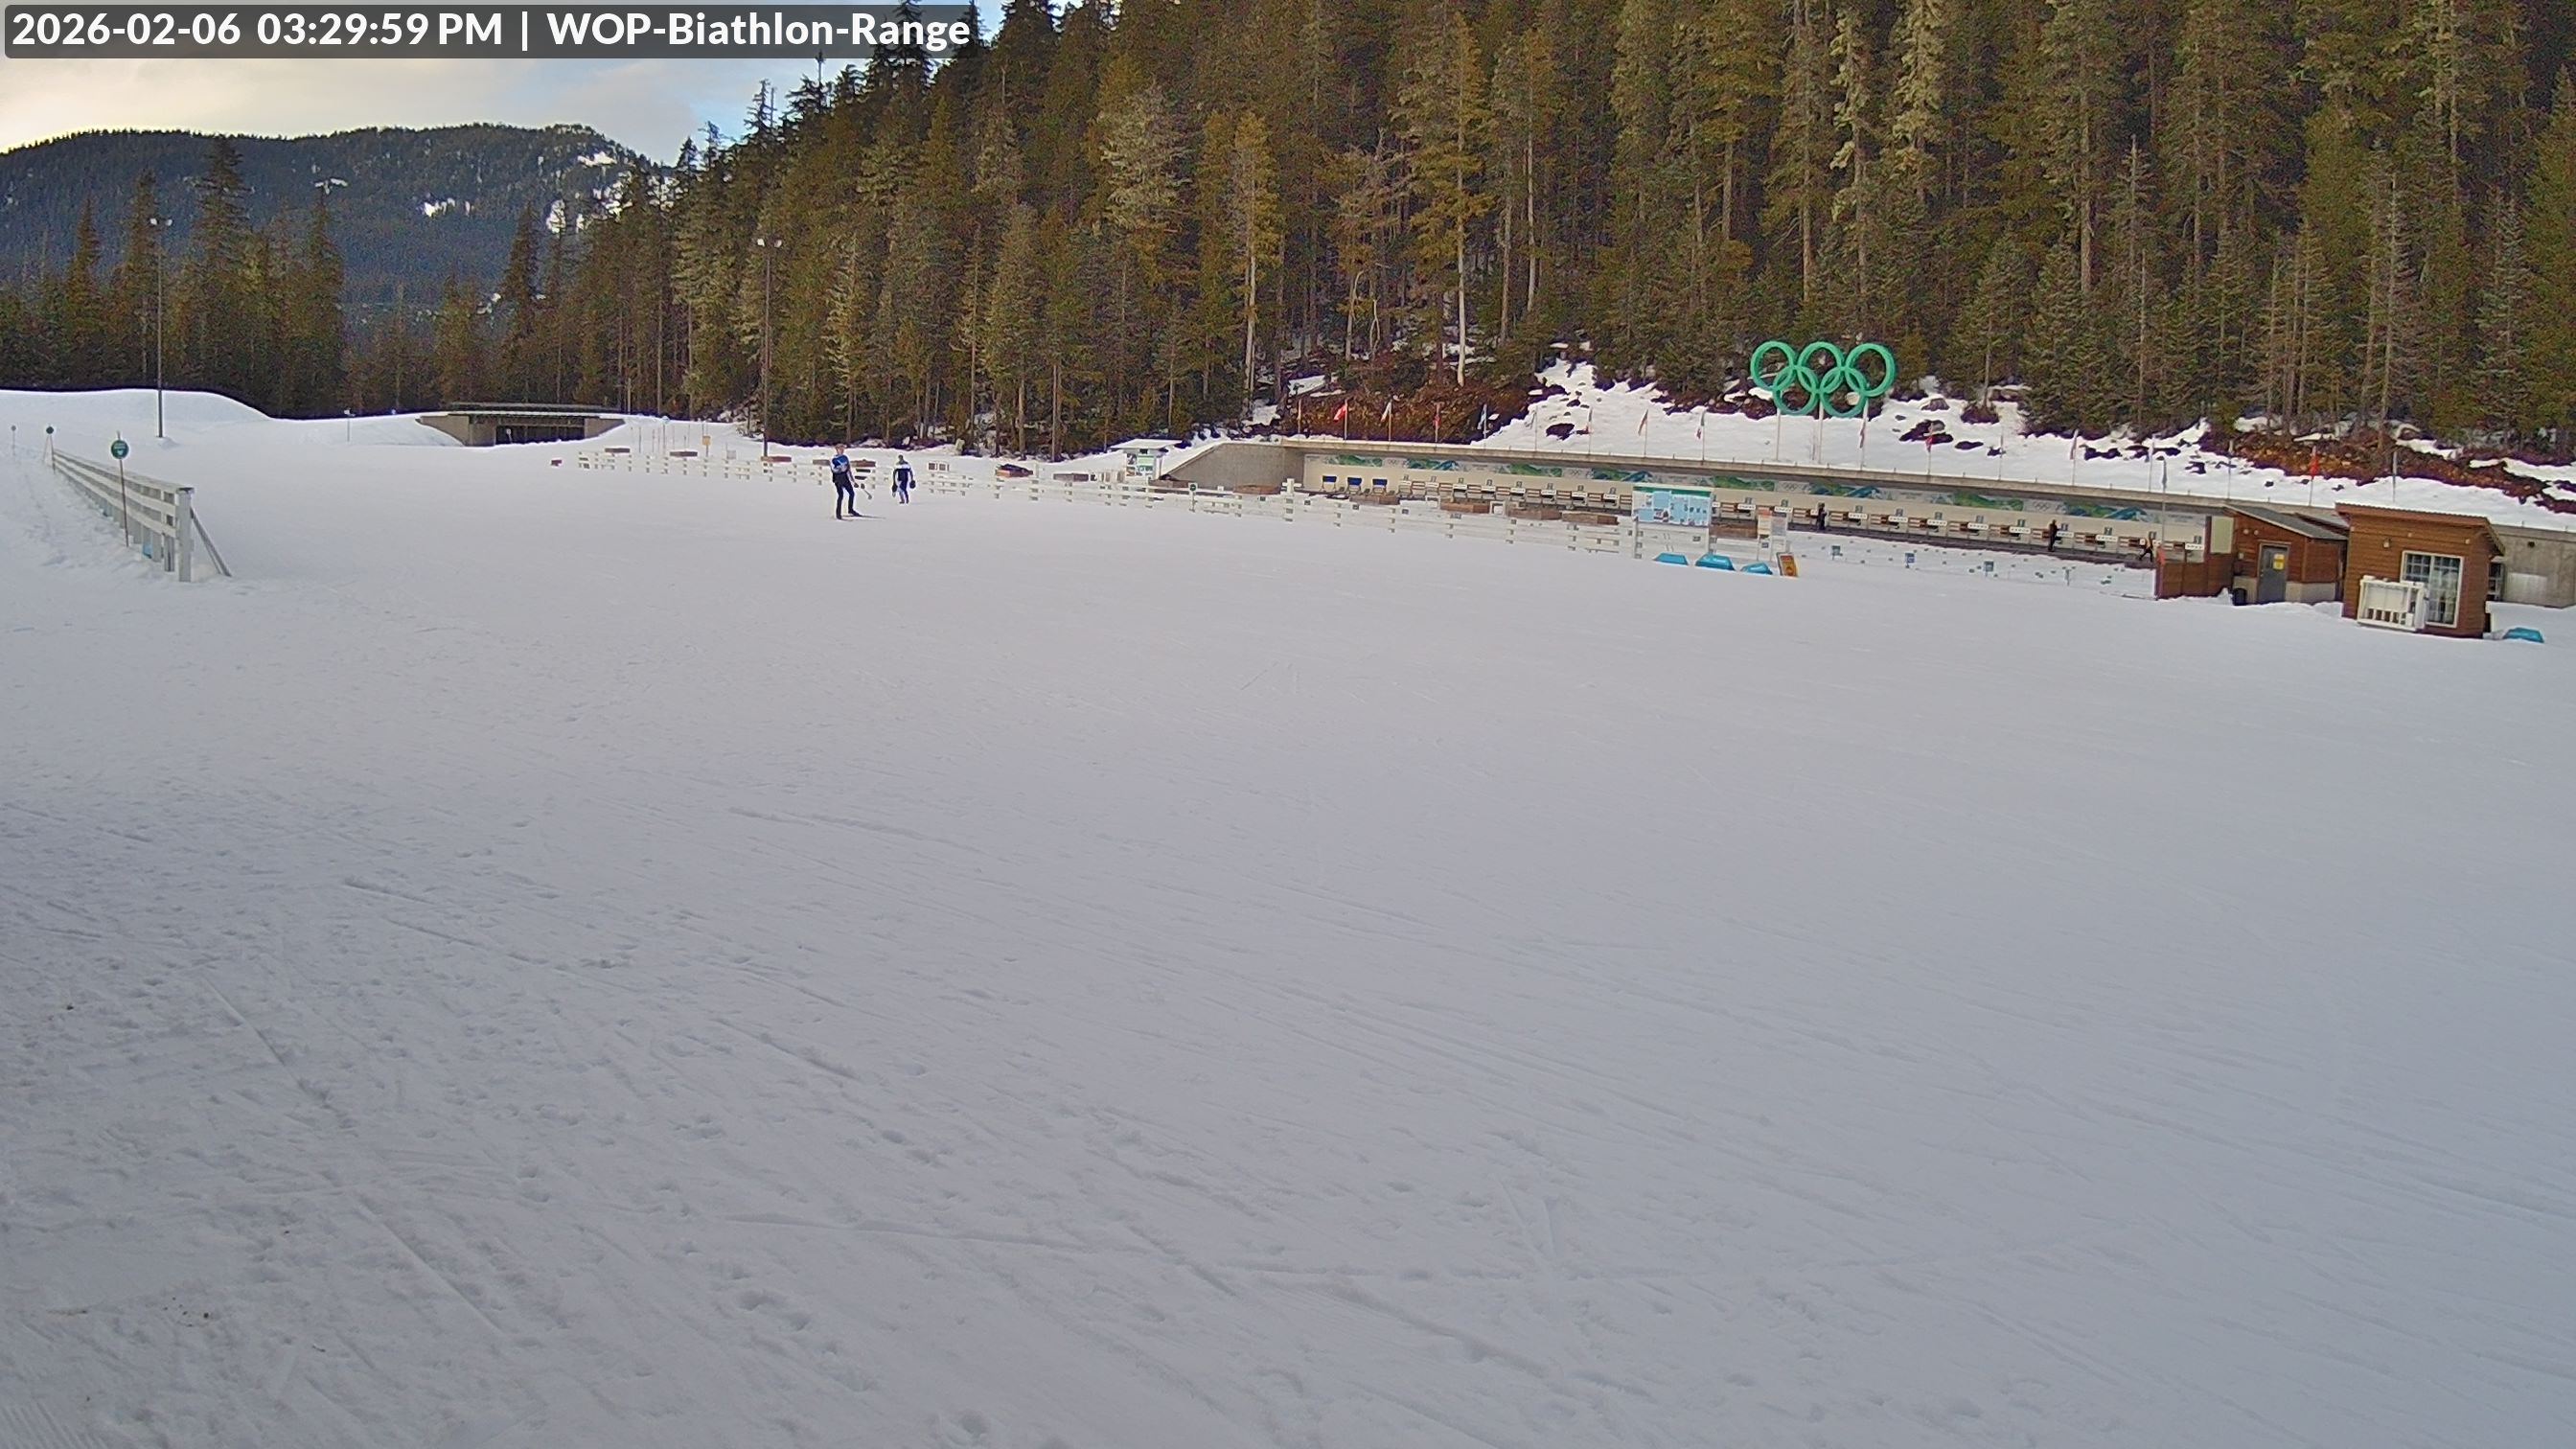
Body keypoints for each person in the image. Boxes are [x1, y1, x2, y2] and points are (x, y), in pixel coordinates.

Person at [830, 447, 858, 518]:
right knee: (841, 495)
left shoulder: (845, 458)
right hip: (838, 478)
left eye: (843, 449)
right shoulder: (833, 459)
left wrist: (853, 480)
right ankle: (838, 513)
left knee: (852, 493)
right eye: (840, 449)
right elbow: (833, 469)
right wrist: (841, 469)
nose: (842, 450)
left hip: (845, 478)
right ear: (837, 450)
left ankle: (850, 509)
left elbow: (848, 469)